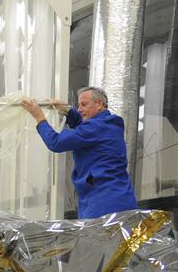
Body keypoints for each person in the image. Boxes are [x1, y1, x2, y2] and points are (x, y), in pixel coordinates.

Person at [20, 87, 137, 218]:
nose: (79, 109)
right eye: (78, 105)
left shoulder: (96, 127)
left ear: (99, 104)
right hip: (117, 198)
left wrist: (39, 117)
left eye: (84, 104)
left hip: (103, 203)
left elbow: (56, 142)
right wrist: (67, 111)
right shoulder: (108, 124)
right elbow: (83, 127)